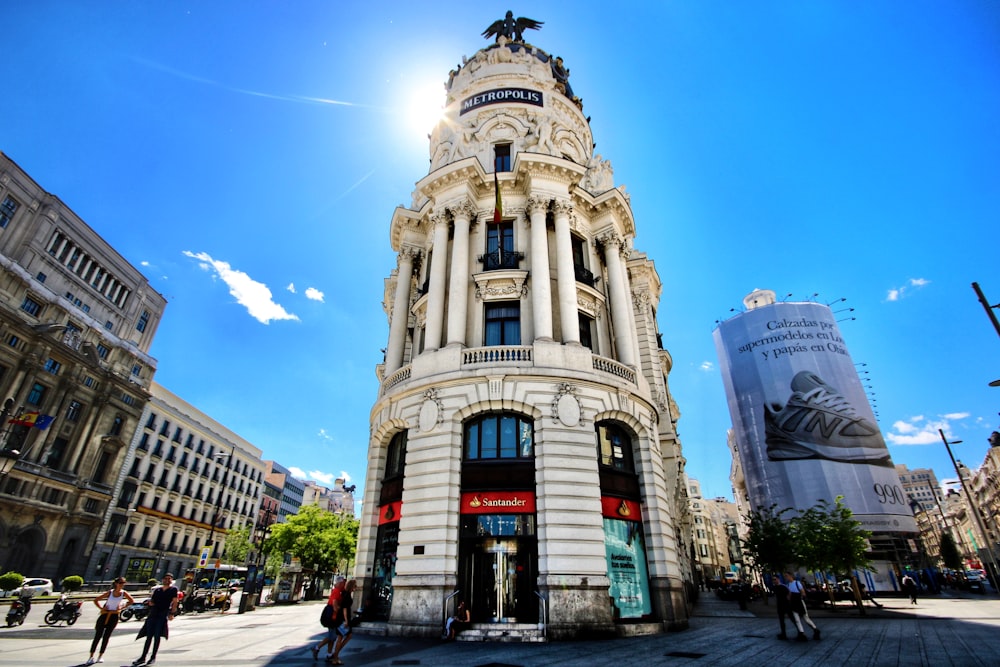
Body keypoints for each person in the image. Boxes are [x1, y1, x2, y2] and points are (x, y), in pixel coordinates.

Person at [132, 573, 179, 666]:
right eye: (166, 578)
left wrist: (172, 613)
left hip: (163, 614)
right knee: (149, 636)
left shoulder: (173, 589)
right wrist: (150, 603)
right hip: (153, 614)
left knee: (157, 636)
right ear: (163, 580)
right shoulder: (157, 590)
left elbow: (175, 602)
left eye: (169, 579)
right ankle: (143, 657)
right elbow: (152, 601)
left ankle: (153, 657)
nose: (167, 580)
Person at [87, 577, 135, 665]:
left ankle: (100, 656)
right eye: (120, 583)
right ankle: (91, 657)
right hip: (105, 615)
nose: (122, 585)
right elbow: (96, 600)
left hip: (114, 615)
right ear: (116, 583)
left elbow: (131, 601)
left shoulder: (124, 593)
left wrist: (122, 606)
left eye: (123, 583)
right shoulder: (110, 592)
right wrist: (102, 608)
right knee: (98, 636)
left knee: (106, 636)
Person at [311, 576, 346, 661]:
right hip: (332, 617)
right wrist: (339, 609)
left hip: (332, 617)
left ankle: (329, 654)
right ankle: (317, 648)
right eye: (343, 583)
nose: (344, 585)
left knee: (332, 636)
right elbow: (334, 604)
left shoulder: (337, 591)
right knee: (332, 636)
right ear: (340, 583)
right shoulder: (337, 591)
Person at [784, 572, 820, 642]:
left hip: (799, 602)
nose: (786, 577)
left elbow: (803, 592)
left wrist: (801, 596)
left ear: (791, 576)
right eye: (785, 576)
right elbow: (789, 595)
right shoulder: (788, 585)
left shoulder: (797, 583)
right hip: (793, 603)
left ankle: (815, 629)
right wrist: (788, 598)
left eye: (787, 576)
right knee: (797, 619)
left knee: (806, 618)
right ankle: (801, 633)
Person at [328, 580, 357, 665]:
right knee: (341, 637)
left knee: (346, 636)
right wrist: (346, 621)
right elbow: (344, 608)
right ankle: (335, 657)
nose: (355, 588)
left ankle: (335, 655)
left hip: (342, 618)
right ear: (352, 586)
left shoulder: (344, 593)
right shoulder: (347, 595)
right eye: (355, 586)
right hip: (343, 619)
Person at [772, 575, 792, 640]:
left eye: (775, 579)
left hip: (786, 605)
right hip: (780, 606)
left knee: (792, 618)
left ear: (778, 579)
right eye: (773, 580)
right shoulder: (775, 587)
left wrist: (788, 600)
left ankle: (800, 631)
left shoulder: (783, 586)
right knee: (781, 620)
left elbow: (789, 593)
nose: (774, 581)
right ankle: (783, 633)